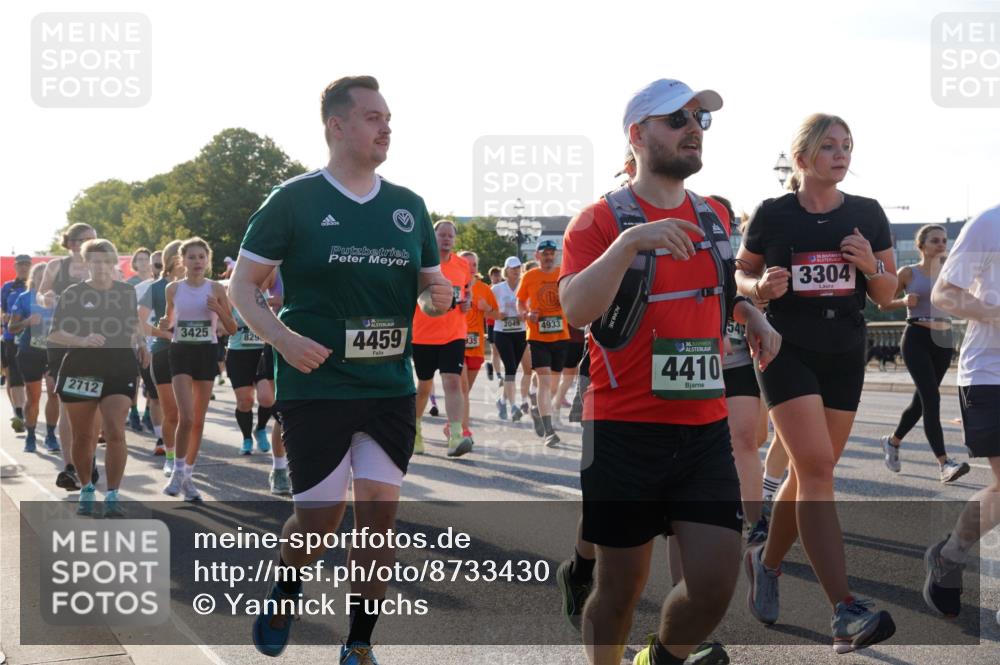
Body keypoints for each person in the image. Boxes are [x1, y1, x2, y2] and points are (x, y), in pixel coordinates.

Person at [229, 75, 452, 665]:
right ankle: (286, 587)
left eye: (388, 117)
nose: (386, 127)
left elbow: (431, 285)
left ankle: (358, 645)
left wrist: (438, 295)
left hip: (387, 387)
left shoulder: (409, 206)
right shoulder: (294, 199)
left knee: (378, 519)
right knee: (319, 523)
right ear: (337, 125)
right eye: (374, 116)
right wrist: (281, 338)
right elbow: (242, 287)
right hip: (317, 386)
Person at [560, 78, 780, 665]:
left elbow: (719, 284)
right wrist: (630, 243)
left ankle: (659, 660)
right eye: (677, 119)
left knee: (714, 584)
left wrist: (749, 311)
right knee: (619, 591)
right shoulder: (598, 221)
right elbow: (576, 309)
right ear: (636, 135)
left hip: (703, 428)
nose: (692, 129)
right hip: (624, 429)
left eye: (698, 120)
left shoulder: (710, 214)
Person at [736, 113, 898, 653]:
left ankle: (768, 560)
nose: (841, 153)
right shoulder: (774, 214)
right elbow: (736, 275)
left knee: (809, 474)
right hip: (785, 350)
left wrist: (870, 262)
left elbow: (885, 292)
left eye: (847, 145)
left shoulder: (868, 213)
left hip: (845, 352)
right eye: (829, 146)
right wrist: (759, 287)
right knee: (818, 470)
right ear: (802, 158)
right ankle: (844, 611)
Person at [922, 203, 1000, 620]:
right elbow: (944, 292)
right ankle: (950, 556)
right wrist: (995, 313)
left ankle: (950, 554)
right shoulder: (990, 223)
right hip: (990, 374)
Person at [47, 239, 148, 517]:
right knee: (83, 436)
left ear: (114, 263)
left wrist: (141, 343)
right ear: (86, 263)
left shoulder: (126, 292)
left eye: (106, 261)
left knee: (115, 429)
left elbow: (131, 326)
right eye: (95, 261)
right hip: (81, 368)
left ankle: (113, 494)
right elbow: (55, 333)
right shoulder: (72, 293)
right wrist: (81, 339)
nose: (101, 266)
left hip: (119, 367)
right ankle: (87, 488)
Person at [878, 224, 969, 482]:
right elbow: (883, 303)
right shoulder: (908, 273)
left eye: (943, 240)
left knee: (922, 400)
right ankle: (944, 463)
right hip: (916, 336)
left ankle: (893, 442)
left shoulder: (950, 273)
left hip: (943, 339)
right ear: (922, 246)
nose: (942, 244)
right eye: (935, 241)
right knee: (932, 398)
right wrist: (903, 302)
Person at [161, 237, 237, 501]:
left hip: (206, 353)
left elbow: (232, 327)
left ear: (208, 260)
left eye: (201, 257)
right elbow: (169, 320)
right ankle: (177, 472)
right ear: (183, 261)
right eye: (191, 257)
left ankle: (188, 478)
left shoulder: (216, 288)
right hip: (181, 352)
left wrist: (218, 309)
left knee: (199, 421)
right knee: (187, 417)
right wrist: (164, 323)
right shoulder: (172, 289)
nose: (197, 262)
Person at [38, 223, 97, 490]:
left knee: (94, 403)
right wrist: (46, 297)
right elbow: (41, 294)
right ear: (72, 243)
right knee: (68, 405)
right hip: (63, 341)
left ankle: (89, 457)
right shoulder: (56, 267)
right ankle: (71, 466)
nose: (91, 245)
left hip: (96, 341)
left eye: (95, 240)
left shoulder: (101, 266)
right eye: (86, 240)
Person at [411, 219, 474, 457]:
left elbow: (466, 291)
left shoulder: (462, 265)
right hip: (424, 334)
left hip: (453, 333)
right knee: (424, 386)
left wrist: (467, 302)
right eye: (442, 235)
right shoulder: (422, 263)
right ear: (433, 237)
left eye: (451, 236)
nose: (447, 239)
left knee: (452, 381)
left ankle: (456, 437)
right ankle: (416, 432)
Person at [517, 239, 570, 446]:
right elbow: (519, 301)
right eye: (544, 254)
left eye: (551, 253)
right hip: (537, 336)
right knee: (545, 381)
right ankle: (549, 431)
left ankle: (539, 411)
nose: (548, 257)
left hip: (561, 335)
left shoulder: (562, 273)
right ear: (536, 256)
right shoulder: (529, 276)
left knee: (553, 385)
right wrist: (527, 314)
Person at [139, 240, 183, 472]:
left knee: (189, 413)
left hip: (192, 352)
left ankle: (185, 461)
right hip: (163, 353)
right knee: (172, 411)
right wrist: (164, 334)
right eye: (180, 255)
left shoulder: (199, 286)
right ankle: (170, 456)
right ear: (171, 260)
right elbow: (139, 323)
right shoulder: (155, 288)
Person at [8, 261, 59, 452]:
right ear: (34, 278)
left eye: (48, 275)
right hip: (30, 352)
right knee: (34, 397)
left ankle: (51, 434)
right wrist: (28, 321)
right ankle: (30, 435)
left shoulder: (59, 298)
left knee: (54, 393)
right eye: (40, 275)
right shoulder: (24, 298)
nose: (44, 278)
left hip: (53, 351)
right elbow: (11, 328)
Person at [457, 250, 500, 447]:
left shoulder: (484, 289)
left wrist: (487, 309)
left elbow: (498, 316)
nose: (471, 268)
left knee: (464, 392)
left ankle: (454, 423)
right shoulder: (453, 287)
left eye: (474, 264)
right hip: (455, 344)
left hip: (475, 347)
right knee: (462, 389)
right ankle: (462, 431)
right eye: (466, 264)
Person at [226, 289, 275, 455]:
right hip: (238, 353)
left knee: (267, 398)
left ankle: (260, 429)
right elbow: (226, 325)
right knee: (245, 401)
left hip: (262, 352)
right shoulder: (232, 293)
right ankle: (247, 438)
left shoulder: (269, 295)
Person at [492, 256, 528, 421]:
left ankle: (502, 401)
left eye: (518, 268)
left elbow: (531, 307)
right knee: (511, 368)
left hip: (520, 332)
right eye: (512, 268)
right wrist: (497, 315)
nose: (516, 271)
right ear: (506, 270)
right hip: (502, 333)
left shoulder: (525, 285)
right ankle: (514, 406)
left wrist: (525, 316)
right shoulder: (497, 289)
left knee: (511, 370)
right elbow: (487, 313)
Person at [2, 254, 31, 433]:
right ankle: (18, 412)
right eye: (20, 264)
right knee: (14, 376)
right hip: (11, 337)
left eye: (26, 264)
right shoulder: (7, 287)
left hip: (34, 338)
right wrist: (4, 317)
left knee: (32, 379)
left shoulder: (36, 285)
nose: (23, 267)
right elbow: (2, 309)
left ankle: (28, 409)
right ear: (15, 266)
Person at [486, 265, 503, 382]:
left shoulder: (505, 288)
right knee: (495, 350)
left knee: (501, 350)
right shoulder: (487, 289)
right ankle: (498, 375)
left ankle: (491, 365)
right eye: (494, 276)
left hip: (503, 323)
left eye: (498, 275)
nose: (497, 278)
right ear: (490, 277)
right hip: (492, 323)